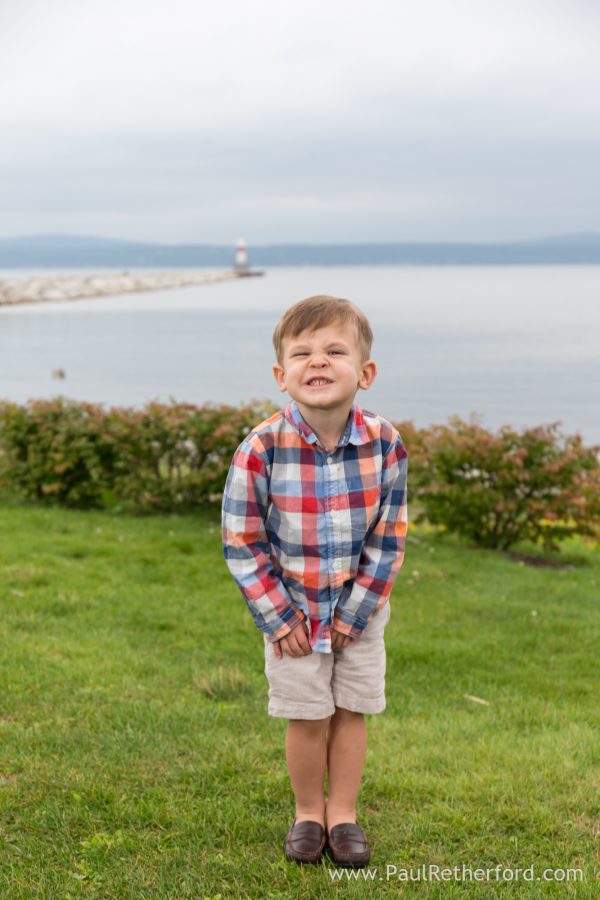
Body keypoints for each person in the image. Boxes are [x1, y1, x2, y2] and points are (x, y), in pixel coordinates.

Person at [222, 295, 408, 867]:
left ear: (365, 372)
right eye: (301, 352)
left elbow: (388, 537)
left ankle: (343, 814)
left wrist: (355, 614)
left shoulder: (386, 445)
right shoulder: (260, 448)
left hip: (360, 614)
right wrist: (279, 619)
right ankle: (308, 812)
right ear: (282, 375)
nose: (317, 361)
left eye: (334, 350)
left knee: (351, 710)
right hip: (293, 616)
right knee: (306, 715)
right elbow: (243, 540)